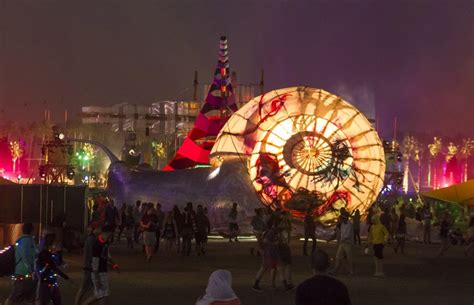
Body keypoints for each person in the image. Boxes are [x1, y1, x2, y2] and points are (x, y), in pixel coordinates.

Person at [253, 219, 293, 292]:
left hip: (273, 253)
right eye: (281, 224)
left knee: (279, 268)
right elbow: (265, 242)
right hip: (270, 253)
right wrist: (274, 243)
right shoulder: (271, 232)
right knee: (265, 268)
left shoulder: (275, 231)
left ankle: (285, 286)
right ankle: (255, 284)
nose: (282, 225)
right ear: (277, 224)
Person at [5, 223, 37, 305]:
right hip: (24, 273)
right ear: (31, 230)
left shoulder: (22, 240)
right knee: (18, 294)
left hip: (22, 272)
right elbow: (26, 257)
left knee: (26, 296)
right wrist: (31, 270)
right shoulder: (27, 241)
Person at [35, 230, 70, 305]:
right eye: (50, 238)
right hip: (44, 281)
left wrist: (59, 252)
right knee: (44, 301)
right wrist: (65, 277)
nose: (53, 241)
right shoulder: (43, 251)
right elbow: (53, 266)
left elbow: (58, 262)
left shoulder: (50, 250)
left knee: (56, 300)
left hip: (52, 280)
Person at [75, 226, 100, 305]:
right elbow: (93, 255)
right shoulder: (91, 240)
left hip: (89, 267)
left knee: (87, 289)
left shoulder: (92, 239)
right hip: (89, 268)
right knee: (86, 288)